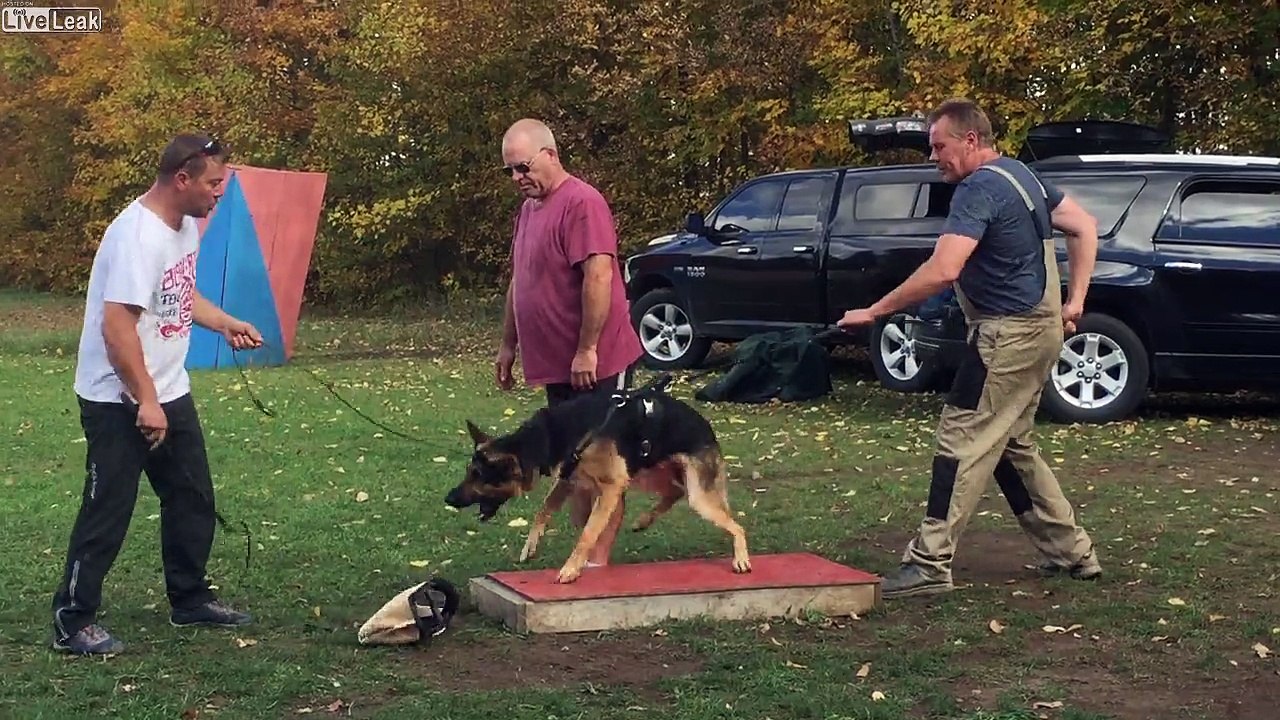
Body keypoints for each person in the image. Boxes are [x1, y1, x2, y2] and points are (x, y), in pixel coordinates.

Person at [837, 98, 1103, 598]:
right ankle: (1071, 552)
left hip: (1006, 337)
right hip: (1041, 330)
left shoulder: (977, 189)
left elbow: (944, 269)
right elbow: (1085, 226)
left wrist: (874, 312)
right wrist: (1074, 303)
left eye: (940, 146)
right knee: (1011, 446)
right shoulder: (1021, 175)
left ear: (971, 140)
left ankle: (930, 562)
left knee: (960, 441)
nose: (934, 157)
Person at [51, 134, 263, 655]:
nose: (220, 192)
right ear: (182, 180)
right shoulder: (135, 237)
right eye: (214, 183)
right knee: (109, 507)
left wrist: (224, 323)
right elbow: (117, 326)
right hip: (116, 397)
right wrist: (146, 400)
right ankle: (72, 620)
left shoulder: (185, 225)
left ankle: (189, 600)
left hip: (169, 388)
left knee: (192, 496)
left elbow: (177, 290)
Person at [493, 118, 644, 567]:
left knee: (602, 465)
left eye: (523, 168)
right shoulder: (529, 210)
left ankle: (597, 562)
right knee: (574, 464)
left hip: (596, 361)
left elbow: (599, 275)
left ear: (551, 155)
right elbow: (521, 279)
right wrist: (508, 344)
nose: (518, 179)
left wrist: (588, 349)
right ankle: (588, 554)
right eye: (510, 172)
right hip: (557, 364)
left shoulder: (582, 202)